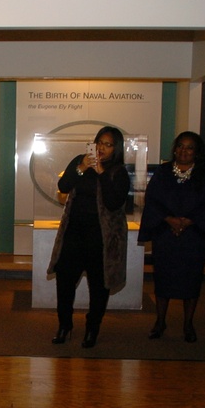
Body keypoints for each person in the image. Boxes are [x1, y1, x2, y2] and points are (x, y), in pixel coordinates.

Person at [47, 126, 132, 348]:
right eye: (99, 143)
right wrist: (82, 167)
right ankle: (64, 325)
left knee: (98, 287)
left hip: (101, 238)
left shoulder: (118, 172)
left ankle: (92, 329)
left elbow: (114, 202)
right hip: (74, 233)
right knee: (64, 281)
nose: (102, 148)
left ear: (116, 149)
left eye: (108, 144)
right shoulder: (80, 161)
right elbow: (63, 186)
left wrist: (101, 171)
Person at [138, 131, 205, 343]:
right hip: (166, 235)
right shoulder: (164, 172)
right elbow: (152, 200)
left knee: (191, 282)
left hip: (193, 237)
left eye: (190, 147)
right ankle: (160, 321)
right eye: (180, 146)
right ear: (175, 149)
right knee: (163, 280)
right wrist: (169, 220)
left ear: (197, 152)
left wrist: (187, 222)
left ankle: (188, 323)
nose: (184, 151)